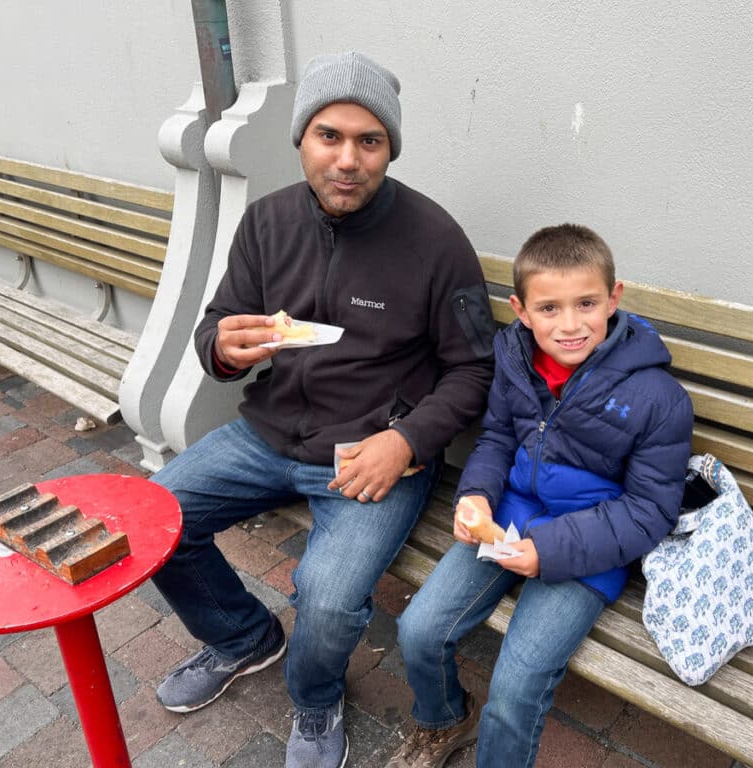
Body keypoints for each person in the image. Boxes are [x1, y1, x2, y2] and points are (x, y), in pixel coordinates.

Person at [149, 51, 496, 768]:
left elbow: (475, 369)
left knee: (329, 595)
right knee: (157, 517)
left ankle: (314, 698)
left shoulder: (436, 241)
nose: (347, 159)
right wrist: (221, 345)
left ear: (390, 149)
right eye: (328, 136)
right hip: (267, 434)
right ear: (302, 140)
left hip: (371, 454)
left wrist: (406, 442)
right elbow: (219, 318)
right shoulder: (268, 223)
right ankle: (244, 638)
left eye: (369, 141)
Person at [390, 224, 694, 767]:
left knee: (517, 685)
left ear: (614, 298)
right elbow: (498, 438)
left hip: (589, 547)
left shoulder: (658, 397)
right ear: (522, 310)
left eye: (586, 303)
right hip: (506, 518)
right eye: (549, 308)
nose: (570, 325)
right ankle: (445, 719)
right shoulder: (516, 359)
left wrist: (549, 550)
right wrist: (478, 494)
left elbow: (650, 511)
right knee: (419, 630)